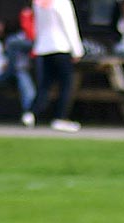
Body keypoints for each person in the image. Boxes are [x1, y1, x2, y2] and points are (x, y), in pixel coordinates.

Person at [23, 0, 84, 133]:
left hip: (43, 47)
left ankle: (31, 113)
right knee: (66, 84)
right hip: (61, 46)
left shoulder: (38, 3)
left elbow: (38, 26)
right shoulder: (62, 2)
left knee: (45, 84)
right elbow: (69, 24)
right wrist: (77, 49)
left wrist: (38, 43)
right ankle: (60, 118)